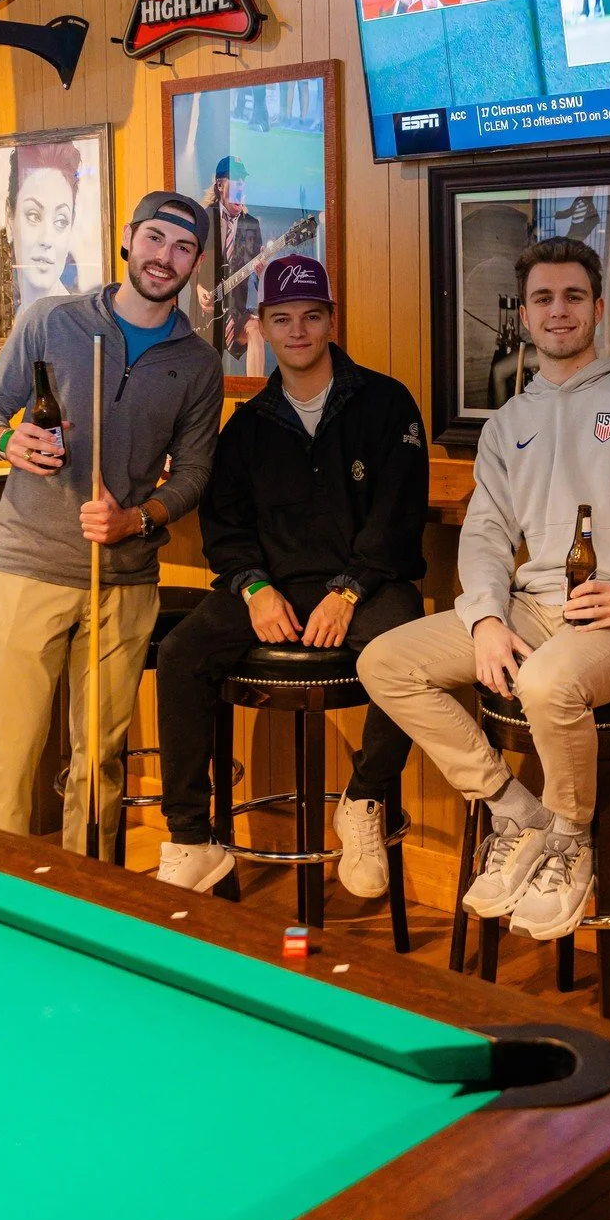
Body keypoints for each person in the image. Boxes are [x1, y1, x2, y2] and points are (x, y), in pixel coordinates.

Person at [358, 236, 610, 943]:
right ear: (524, 314)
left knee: (547, 684)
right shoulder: (509, 421)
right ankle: (514, 810)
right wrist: (487, 618)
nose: (559, 312)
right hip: (531, 607)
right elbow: (485, 536)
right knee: (384, 662)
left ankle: (571, 839)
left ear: (599, 308)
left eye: (574, 297)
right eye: (544, 299)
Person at [154, 254, 429, 897]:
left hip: (370, 583)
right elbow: (226, 526)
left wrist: (350, 590)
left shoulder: (387, 404)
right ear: (263, 328)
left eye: (311, 316)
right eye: (283, 319)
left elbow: (398, 515)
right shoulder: (247, 424)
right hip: (273, 587)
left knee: (409, 654)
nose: (298, 331)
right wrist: (252, 586)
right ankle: (192, 838)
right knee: (180, 652)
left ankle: (364, 801)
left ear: (331, 321)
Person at [0, 192, 222, 857]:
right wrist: (5, 441)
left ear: (196, 262)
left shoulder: (197, 364)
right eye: (155, 238)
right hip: (28, 569)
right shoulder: (53, 321)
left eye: (183, 247)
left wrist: (136, 518)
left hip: (124, 581)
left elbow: (193, 474)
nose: (164, 257)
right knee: (10, 759)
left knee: (101, 764)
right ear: (129, 239)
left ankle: (88, 906)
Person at [0, 140, 84, 344]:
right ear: (9, 220)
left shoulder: (80, 325)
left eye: (61, 221)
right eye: (34, 216)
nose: (47, 239)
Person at [198, 154, 264, 371]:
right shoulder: (203, 219)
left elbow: (257, 282)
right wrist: (198, 289)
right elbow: (189, 262)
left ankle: (256, 396)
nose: (241, 188)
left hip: (236, 310)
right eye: (236, 181)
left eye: (243, 182)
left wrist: (261, 274)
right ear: (219, 185)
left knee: (255, 328)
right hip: (206, 313)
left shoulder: (251, 224)